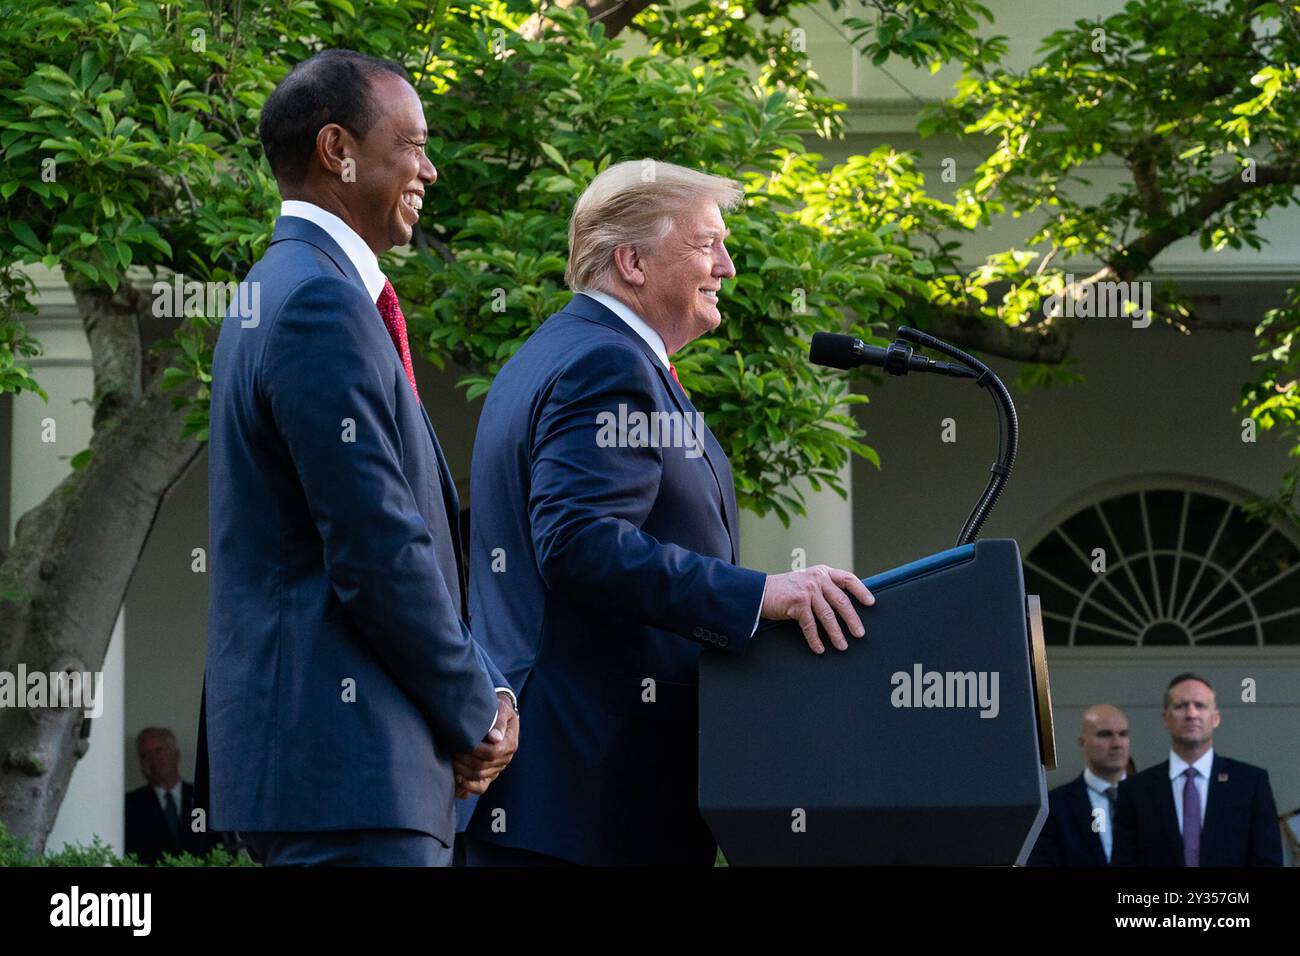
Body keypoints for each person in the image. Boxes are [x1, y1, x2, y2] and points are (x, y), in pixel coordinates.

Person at [456, 160, 875, 866]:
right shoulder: (606, 365)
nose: (729, 267)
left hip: (565, 802)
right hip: (592, 799)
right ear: (632, 261)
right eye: (707, 244)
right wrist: (761, 594)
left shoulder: (559, 353)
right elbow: (580, 543)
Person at [203, 49, 516, 867]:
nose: (430, 170)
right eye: (411, 145)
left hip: (336, 776)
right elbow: (375, 546)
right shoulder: (318, 302)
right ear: (337, 150)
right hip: (353, 777)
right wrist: (474, 706)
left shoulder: (282, 288)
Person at [1112, 673, 1282, 867]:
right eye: (1180, 706)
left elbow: (1268, 861)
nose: (1191, 714)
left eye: (1200, 705)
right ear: (1165, 719)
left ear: (1215, 718)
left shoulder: (1250, 784)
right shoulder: (1135, 790)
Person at [1028, 704, 1130, 866]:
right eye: (1105, 735)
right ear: (1083, 743)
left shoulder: (1154, 799)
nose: (1117, 744)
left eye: (1123, 734)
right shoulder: (1054, 807)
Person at [124, 728, 222, 864]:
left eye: (158, 751)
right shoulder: (129, 806)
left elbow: (224, 850)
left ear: (176, 754)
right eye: (145, 755)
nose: (153, 759)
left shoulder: (206, 798)